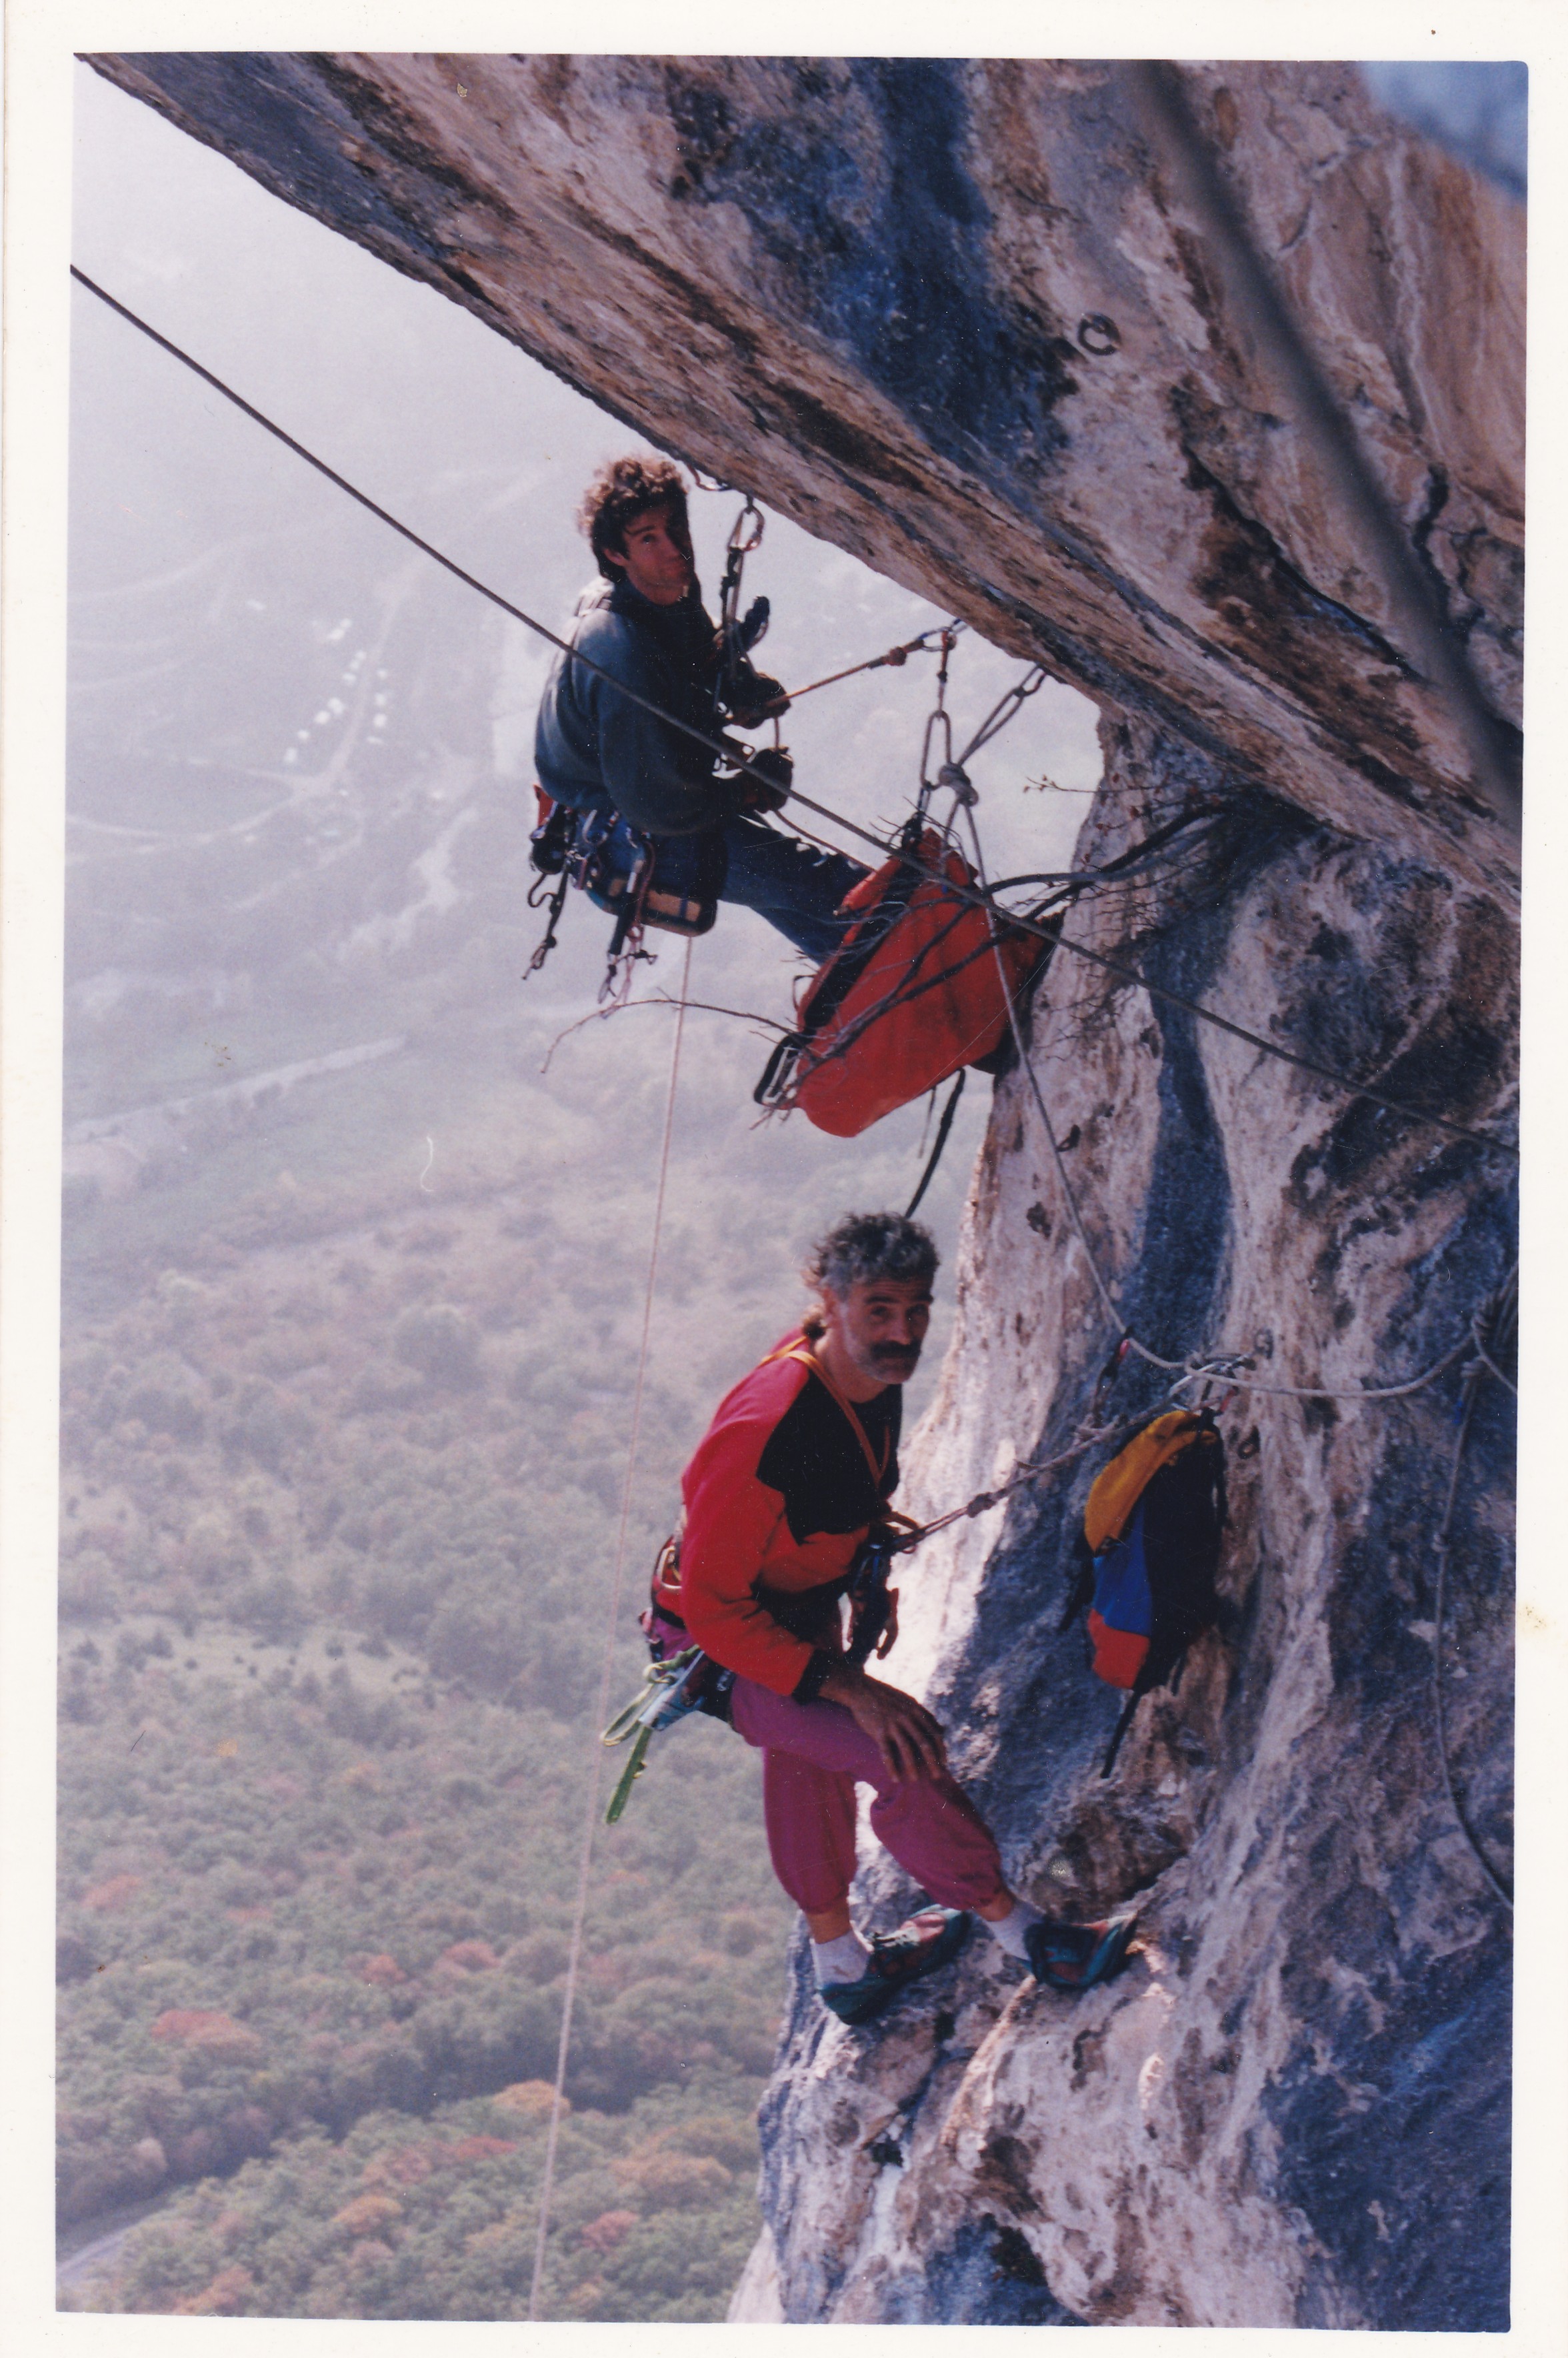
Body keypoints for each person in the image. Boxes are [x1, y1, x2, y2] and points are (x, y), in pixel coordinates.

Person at [648, 1210, 1135, 2024]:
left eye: (916, 1309)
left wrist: (864, 1534)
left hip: (792, 1617)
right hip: (721, 1646)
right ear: (830, 1303)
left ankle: (844, 1967)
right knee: (895, 1742)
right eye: (878, 1309)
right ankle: (1028, 1938)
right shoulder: (769, 1426)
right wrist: (850, 1686)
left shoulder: (865, 1383)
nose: (901, 1331)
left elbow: (817, 1503)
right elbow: (714, 1603)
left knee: (809, 1761)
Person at [533, 455, 868, 962]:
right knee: (834, 891)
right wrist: (746, 791)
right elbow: (656, 804)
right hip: (635, 827)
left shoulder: (666, 590)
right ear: (615, 554)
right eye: (649, 538)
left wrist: (743, 692)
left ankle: (896, 1006)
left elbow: (696, 655)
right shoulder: (620, 654)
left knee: (812, 908)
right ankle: (960, 964)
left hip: (648, 805)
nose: (675, 548)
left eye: (676, 527)